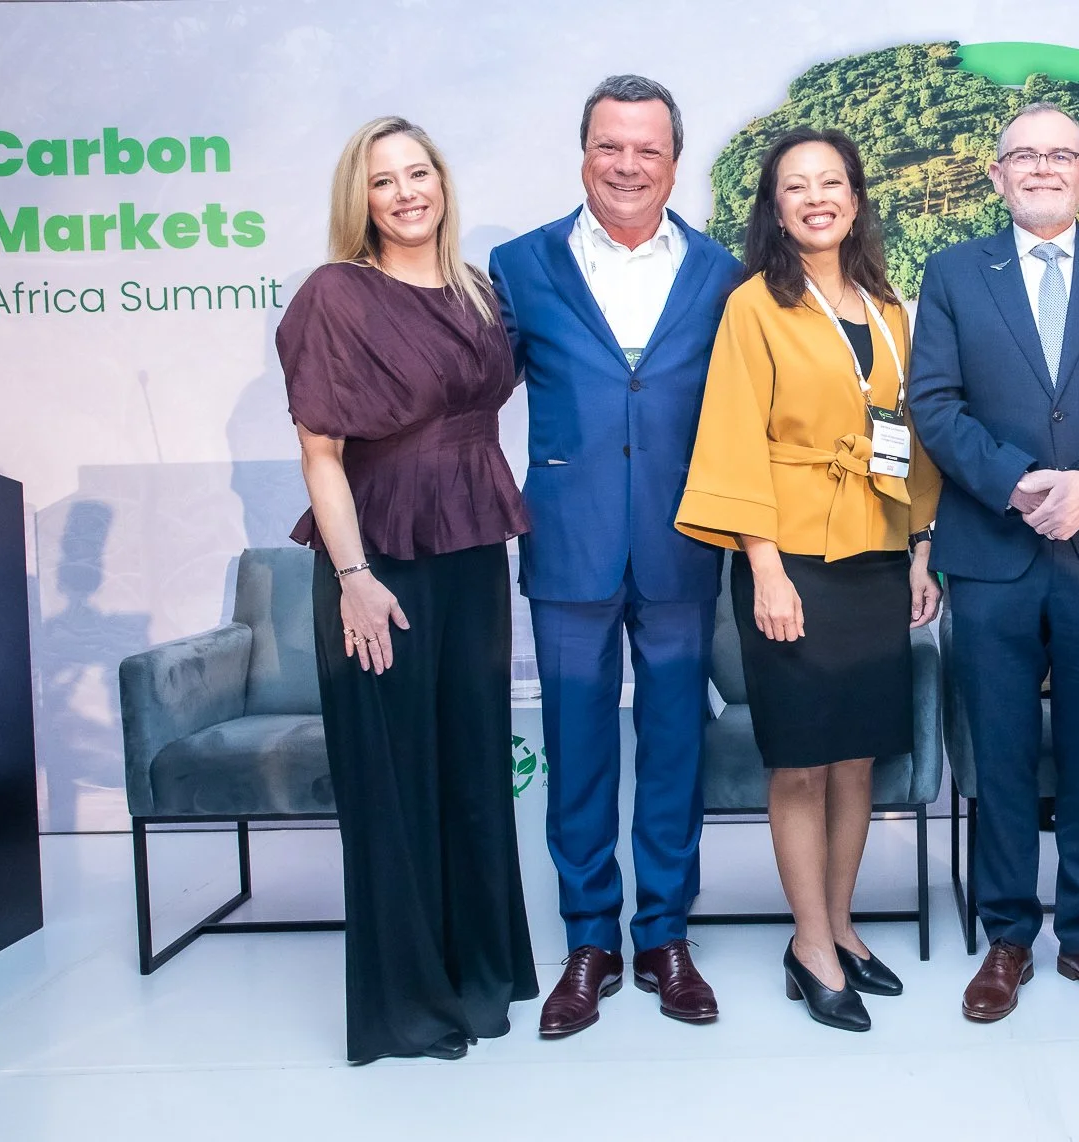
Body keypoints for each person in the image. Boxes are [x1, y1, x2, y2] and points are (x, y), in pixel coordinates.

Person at [909, 102, 1079, 1023]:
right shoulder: (953, 273)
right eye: (1022, 156)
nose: (1040, 168)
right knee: (996, 749)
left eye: (1059, 155)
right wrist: (1022, 482)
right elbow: (935, 403)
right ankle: (1005, 940)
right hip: (994, 547)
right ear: (996, 176)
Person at [488, 75, 742, 1035]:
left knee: (675, 749)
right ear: (582, 152)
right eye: (609, 146)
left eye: (647, 149)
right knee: (578, 752)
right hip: (567, 547)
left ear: (675, 160)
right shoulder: (519, 266)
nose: (627, 165)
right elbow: (466, 400)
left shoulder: (722, 273)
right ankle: (589, 940)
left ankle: (666, 937)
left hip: (683, 546)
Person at [280, 116, 535, 1064]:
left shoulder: (477, 289)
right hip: (378, 555)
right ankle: (410, 1006)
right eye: (383, 181)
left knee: (471, 768)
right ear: (362, 199)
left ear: (442, 182)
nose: (405, 193)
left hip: (471, 548)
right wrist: (352, 577)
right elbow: (320, 452)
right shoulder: (336, 295)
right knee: (396, 782)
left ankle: (479, 976)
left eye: (417, 173)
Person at [675, 127, 941, 1033]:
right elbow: (734, 434)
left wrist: (918, 553)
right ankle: (810, 943)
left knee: (858, 754)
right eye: (797, 185)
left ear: (857, 199)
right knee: (798, 761)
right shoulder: (754, 305)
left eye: (833, 182)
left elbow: (911, 436)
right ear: (776, 207)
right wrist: (762, 569)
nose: (817, 197)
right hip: (789, 556)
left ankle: (841, 927)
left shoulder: (888, 306)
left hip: (873, 551)